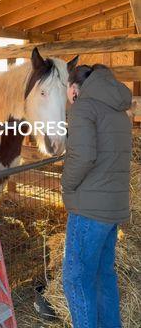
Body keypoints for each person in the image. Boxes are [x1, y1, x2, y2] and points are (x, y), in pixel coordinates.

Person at [61, 64, 132, 328]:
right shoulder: (118, 110)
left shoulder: (84, 107)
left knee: (76, 279)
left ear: (73, 87)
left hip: (89, 210)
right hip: (112, 207)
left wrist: (66, 186)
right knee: (103, 275)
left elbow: (82, 157)